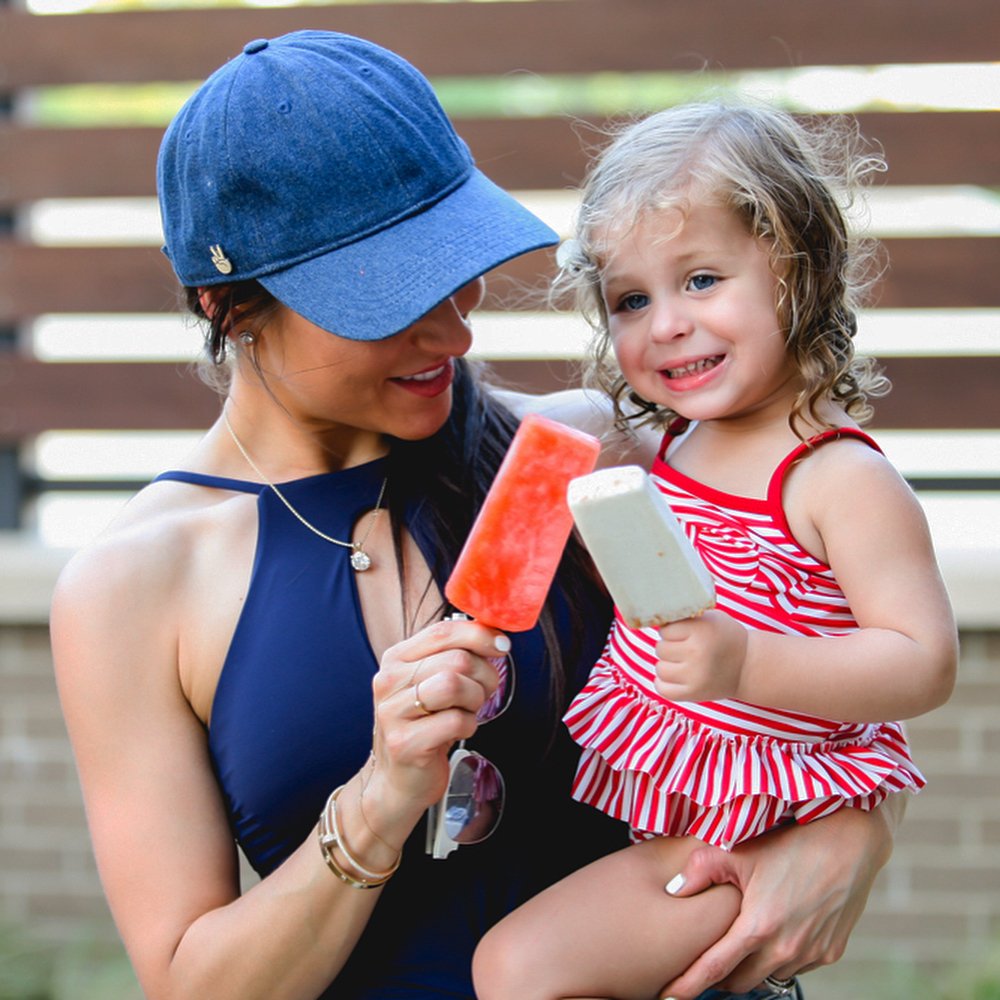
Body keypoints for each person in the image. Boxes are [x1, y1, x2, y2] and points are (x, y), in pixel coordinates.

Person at [49, 34, 911, 1000]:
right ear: (228, 306)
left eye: (452, 270)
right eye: (385, 298)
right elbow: (191, 987)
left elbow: (849, 642)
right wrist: (378, 802)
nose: (456, 331)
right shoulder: (133, 584)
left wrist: (852, 833)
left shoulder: (587, 457)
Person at [471, 101, 959, 1000]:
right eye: (631, 299)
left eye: (700, 279)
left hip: (759, 825)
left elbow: (923, 662)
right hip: (682, 813)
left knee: (517, 970)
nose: (664, 324)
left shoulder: (833, 476)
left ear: (799, 272)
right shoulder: (675, 448)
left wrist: (745, 659)